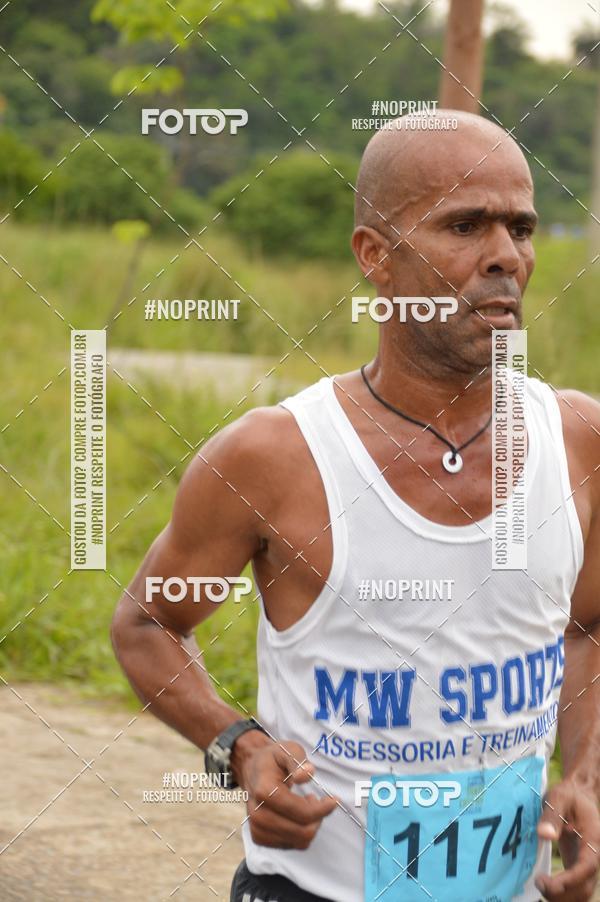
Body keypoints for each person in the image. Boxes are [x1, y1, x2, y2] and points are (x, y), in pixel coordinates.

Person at [111, 111, 600, 902]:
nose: (506, 257)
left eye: (521, 227)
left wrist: (583, 777)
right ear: (376, 256)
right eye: (465, 226)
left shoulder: (579, 440)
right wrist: (236, 746)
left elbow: (585, 629)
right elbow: (147, 623)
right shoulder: (274, 457)